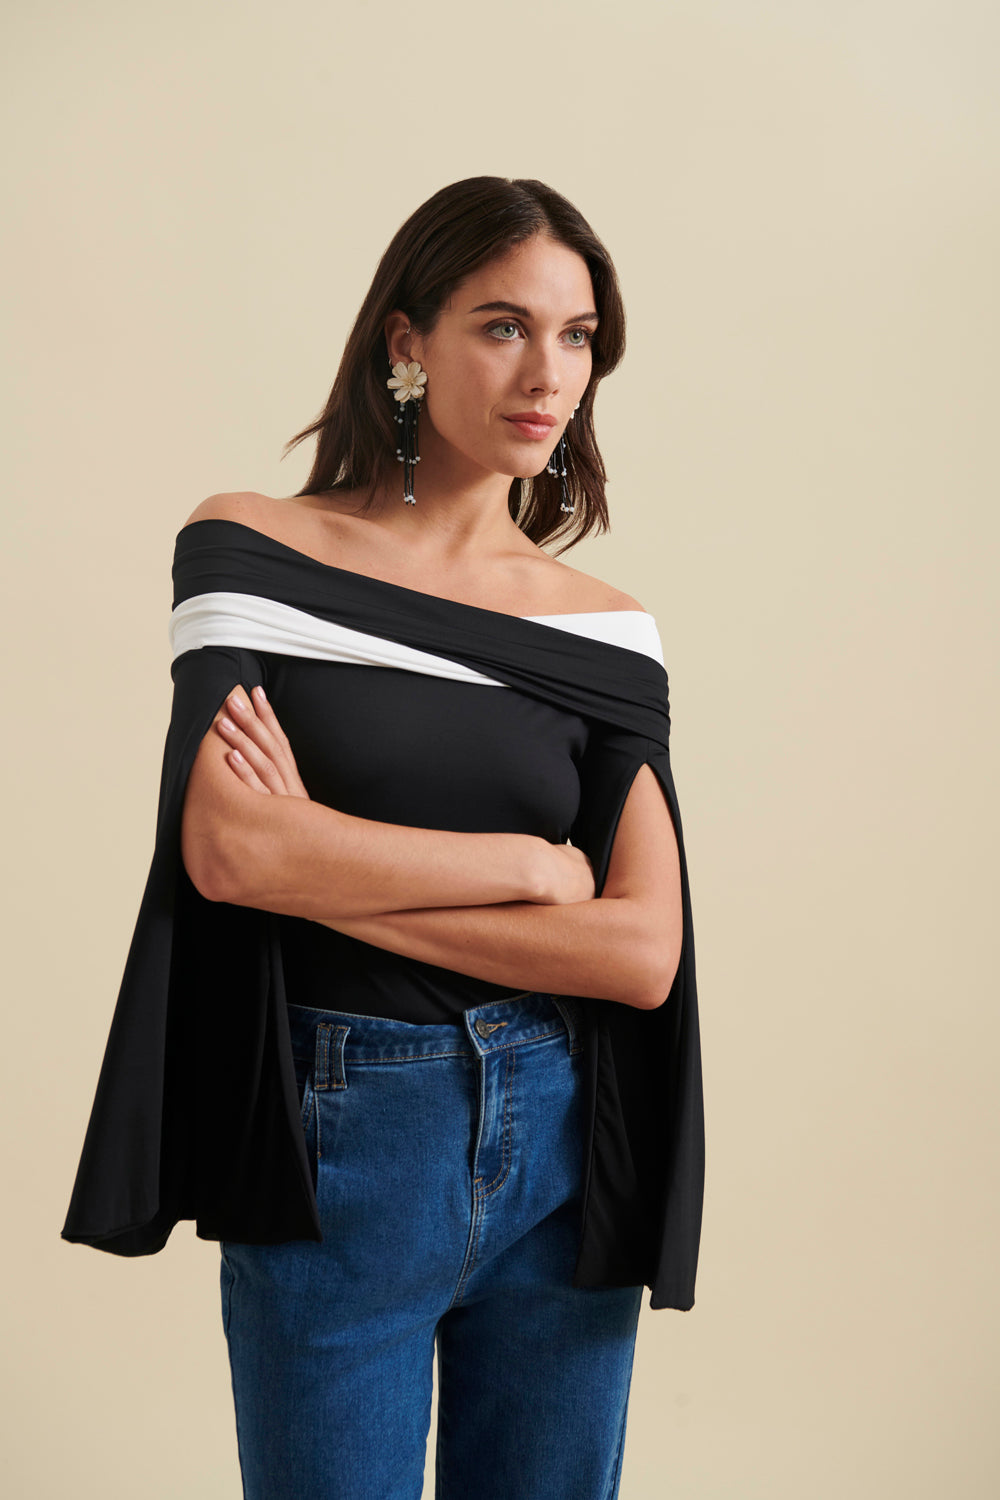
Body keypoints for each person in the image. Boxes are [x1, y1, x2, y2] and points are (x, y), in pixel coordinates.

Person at [62, 176, 704, 1500]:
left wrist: (321, 860)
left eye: (578, 336)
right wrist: (528, 873)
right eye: (503, 326)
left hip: (562, 1145)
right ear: (407, 341)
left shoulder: (604, 629)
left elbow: (642, 955)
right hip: (345, 1129)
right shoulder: (252, 549)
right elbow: (231, 854)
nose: (549, 373)